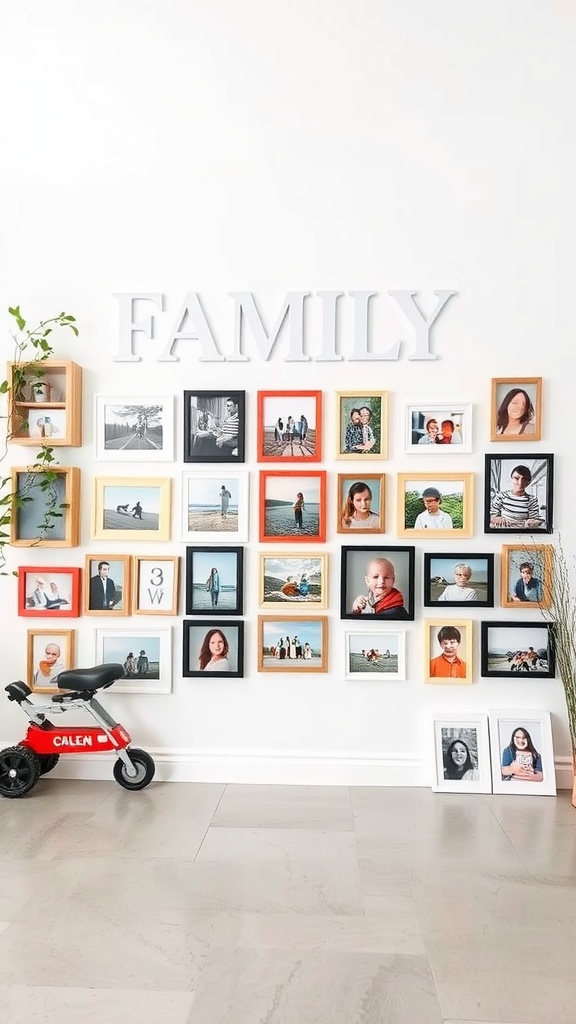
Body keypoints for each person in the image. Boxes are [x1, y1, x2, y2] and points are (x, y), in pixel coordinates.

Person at [489, 465, 544, 529]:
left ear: (528, 482)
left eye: (524, 479)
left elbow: (532, 523)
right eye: (516, 478)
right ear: (511, 479)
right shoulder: (501, 496)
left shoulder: (532, 500)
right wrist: (496, 518)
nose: (520, 482)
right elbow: (492, 516)